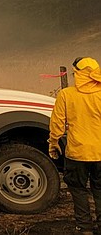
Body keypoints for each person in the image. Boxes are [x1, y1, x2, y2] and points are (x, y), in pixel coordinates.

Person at [50, 56, 101, 234]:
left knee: (78, 190)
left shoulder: (66, 95)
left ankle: (84, 227)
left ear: (77, 74)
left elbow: (57, 124)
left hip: (77, 153)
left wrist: (53, 143)